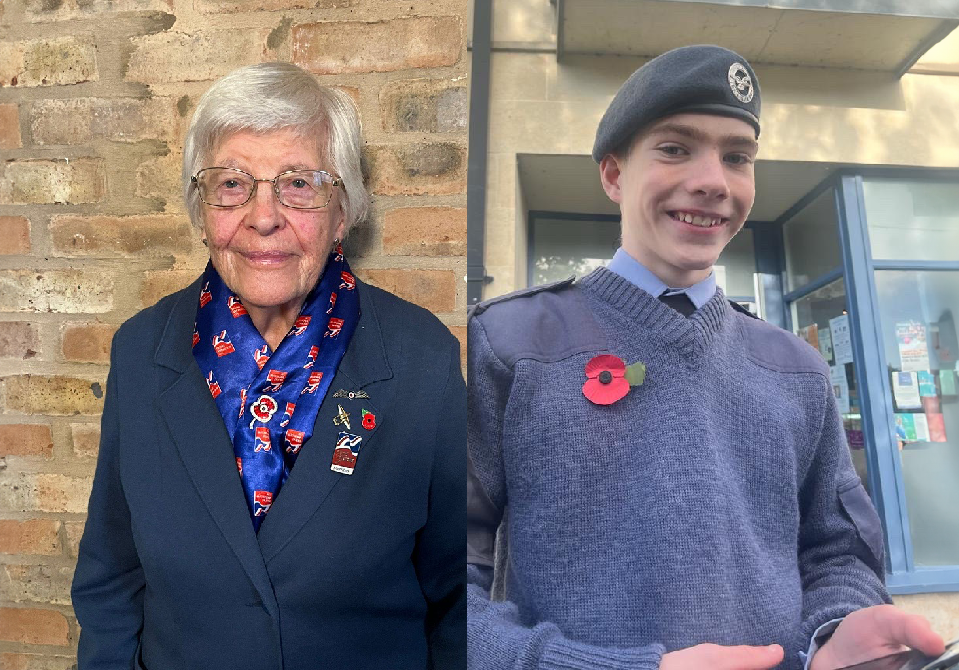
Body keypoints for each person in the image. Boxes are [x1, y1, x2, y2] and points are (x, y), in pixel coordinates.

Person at [466, 45, 944, 670]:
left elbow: (837, 554)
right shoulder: (509, 343)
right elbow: (441, 583)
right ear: (613, 174)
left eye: (737, 157)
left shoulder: (795, 368)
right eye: (674, 148)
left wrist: (835, 631)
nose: (714, 181)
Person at [71, 62, 465, 669]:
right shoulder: (141, 351)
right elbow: (111, 577)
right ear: (202, 211)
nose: (262, 216)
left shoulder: (420, 357)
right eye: (232, 183)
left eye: (299, 184)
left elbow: (460, 592)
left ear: (344, 211)